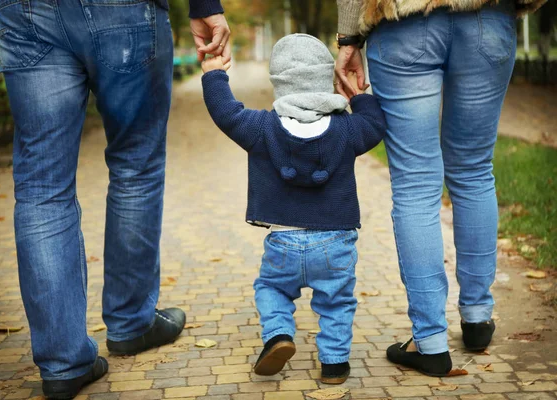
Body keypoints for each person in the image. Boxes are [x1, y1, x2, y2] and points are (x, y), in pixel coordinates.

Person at [0, 0, 230, 398]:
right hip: (123, 11)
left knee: (41, 189)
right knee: (135, 167)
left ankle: (63, 362)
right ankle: (132, 321)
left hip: (27, 11)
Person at [334, 0, 546, 377]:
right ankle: (478, 319)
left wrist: (348, 36)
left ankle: (430, 342)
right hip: (488, 16)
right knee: (475, 170)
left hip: (402, 20)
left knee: (415, 184)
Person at [201, 34, 386, 384]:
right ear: (326, 79)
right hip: (336, 242)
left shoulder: (260, 128)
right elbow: (375, 125)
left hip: (283, 242)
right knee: (336, 302)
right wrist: (359, 96)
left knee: (271, 289)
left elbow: (226, 113)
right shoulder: (347, 130)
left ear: (278, 83)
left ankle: (278, 335)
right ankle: (334, 364)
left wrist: (214, 73)